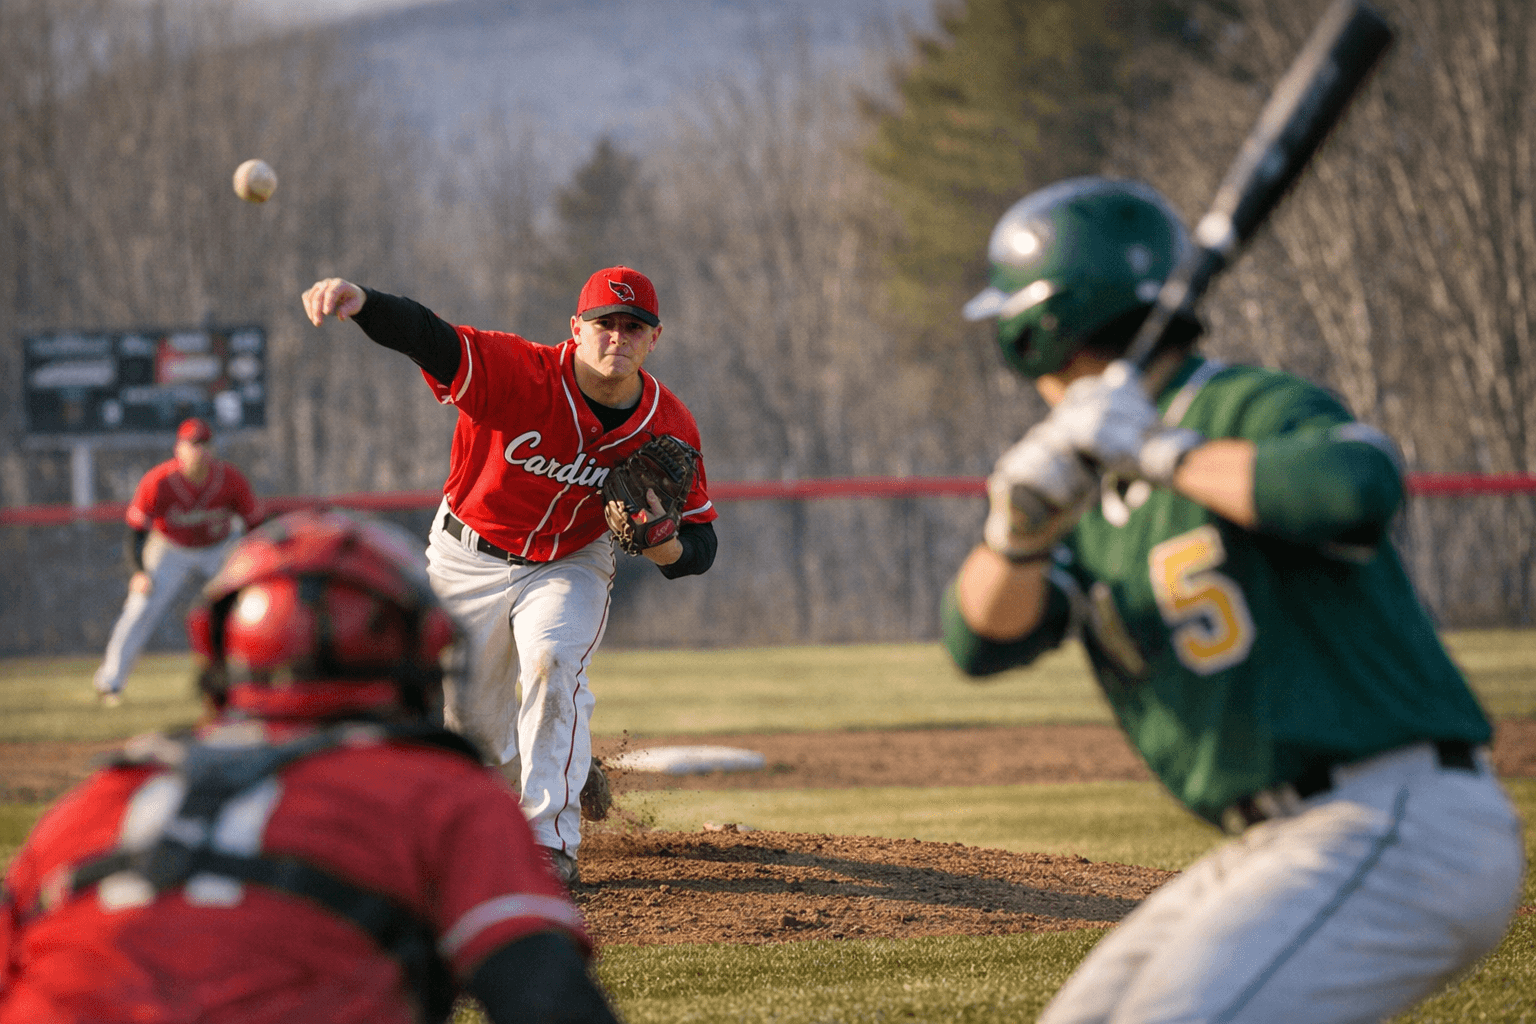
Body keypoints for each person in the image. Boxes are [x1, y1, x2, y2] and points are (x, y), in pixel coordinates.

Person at [944, 176, 1525, 1023]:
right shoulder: (1079, 479)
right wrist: (1017, 534)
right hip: (1277, 845)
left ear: (1040, 326)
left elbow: (1355, 487)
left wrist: (1157, 447)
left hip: (1396, 821)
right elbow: (979, 639)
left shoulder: (1238, 406)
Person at [0, 509, 622, 1024]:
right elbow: (549, 998)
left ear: (220, 654)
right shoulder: (438, 793)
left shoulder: (95, 799)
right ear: (412, 656)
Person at [301, 266, 718, 885]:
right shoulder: (517, 371)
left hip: (570, 561)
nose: (618, 338)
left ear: (654, 340)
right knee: (474, 734)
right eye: (605, 324)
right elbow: (430, 337)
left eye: (635, 328)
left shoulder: (668, 423)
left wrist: (660, 547)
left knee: (554, 664)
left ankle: (551, 842)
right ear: (576, 329)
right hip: (468, 555)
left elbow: (702, 544)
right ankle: (547, 766)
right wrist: (364, 304)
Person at [93, 416, 260, 706]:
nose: (199, 450)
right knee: (140, 606)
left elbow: (255, 525)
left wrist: (251, 570)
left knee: (248, 606)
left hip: (217, 549)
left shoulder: (230, 479)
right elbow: (136, 533)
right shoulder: (158, 481)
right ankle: (110, 682)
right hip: (169, 548)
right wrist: (139, 571)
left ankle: (251, 679)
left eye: (204, 444)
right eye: (192, 444)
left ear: (213, 449)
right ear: (178, 449)